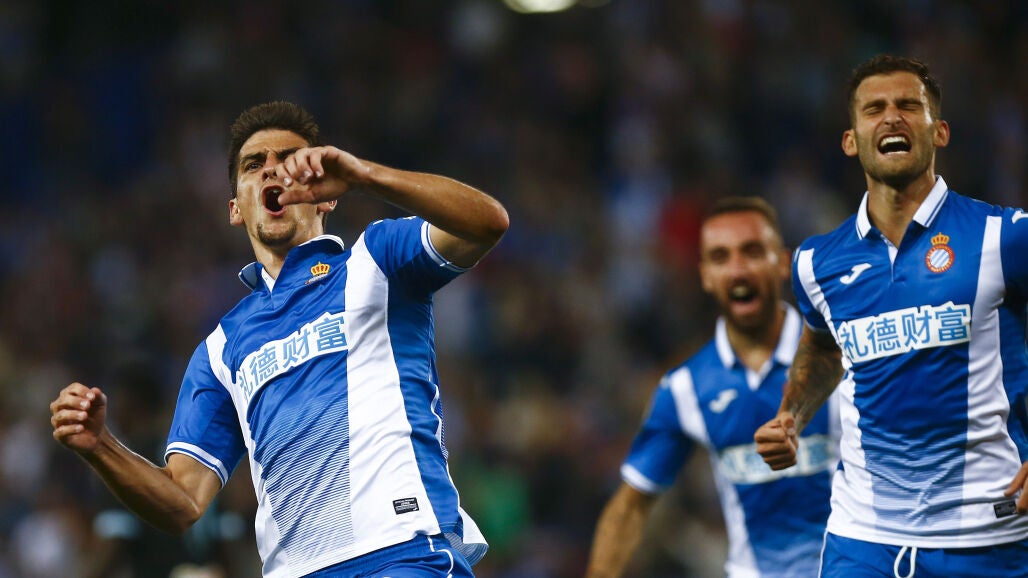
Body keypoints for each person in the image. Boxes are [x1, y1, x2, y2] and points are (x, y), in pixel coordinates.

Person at [49, 101, 509, 578]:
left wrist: (364, 176)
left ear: (325, 197)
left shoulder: (376, 261)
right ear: (235, 208)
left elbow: (487, 222)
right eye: (254, 164)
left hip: (402, 553)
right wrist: (99, 445)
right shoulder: (220, 349)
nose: (272, 169)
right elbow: (183, 501)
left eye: (289, 159)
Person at [754, 54, 1028, 578]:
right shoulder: (816, 262)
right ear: (851, 140)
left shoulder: (1004, 237)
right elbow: (825, 345)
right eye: (874, 109)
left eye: (908, 105)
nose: (892, 117)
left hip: (988, 537)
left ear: (939, 131)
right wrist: (792, 415)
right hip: (863, 541)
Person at [586, 197, 839, 578]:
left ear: (783, 263)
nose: (737, 270)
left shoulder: (843, 358)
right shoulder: (686, 388)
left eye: (752, 252)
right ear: (705, 276)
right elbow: (631, 505)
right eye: (721, 258)